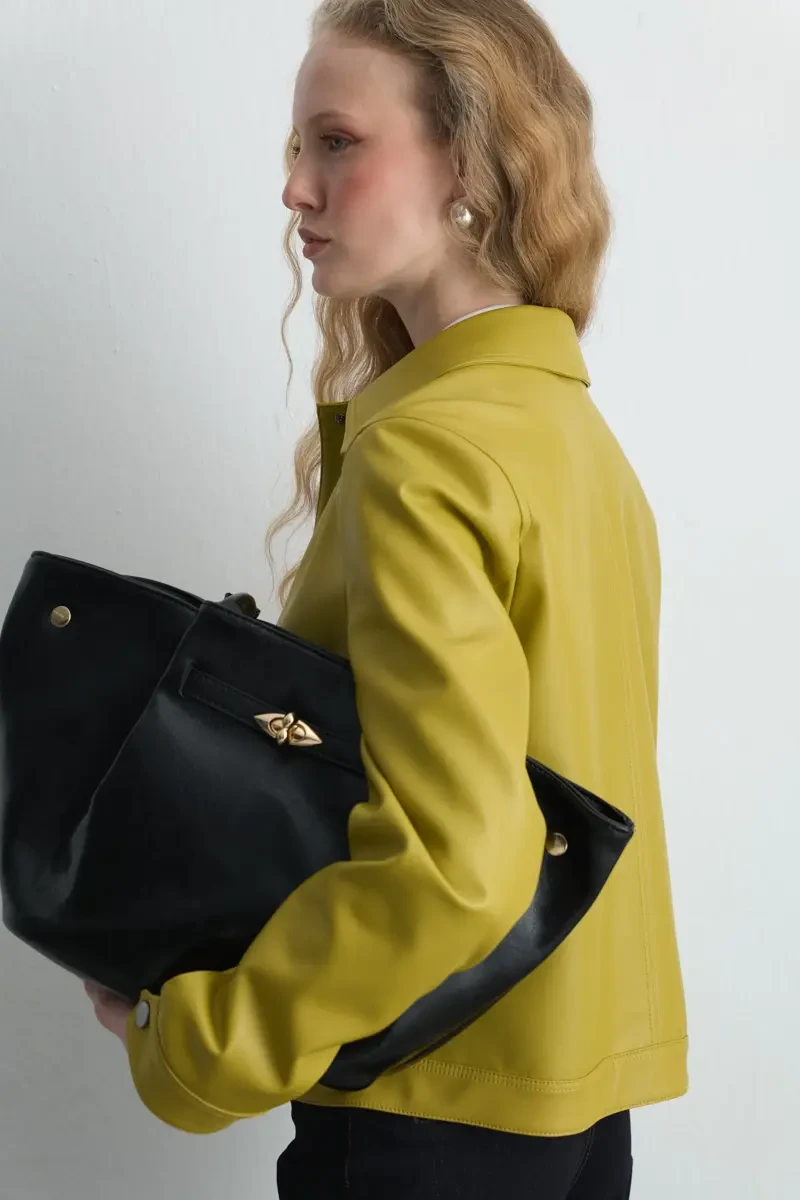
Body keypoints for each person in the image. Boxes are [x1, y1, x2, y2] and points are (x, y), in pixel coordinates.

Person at [87, 1, 688, 1195]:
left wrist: (196, 1044)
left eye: (337, 142)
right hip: (572, 1104)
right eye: (296, 147)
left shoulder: (426, 453)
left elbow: (453, 865)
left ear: (466, 161)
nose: (293, 189)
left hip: (427, 1113)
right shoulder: (568, 432)